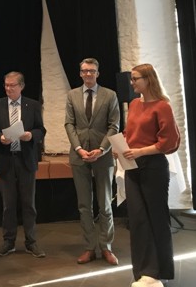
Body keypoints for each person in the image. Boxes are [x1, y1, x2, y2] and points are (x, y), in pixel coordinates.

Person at [122, 64, 181, 287]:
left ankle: (157, 272)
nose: (132, 83)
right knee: (138, 219)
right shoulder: (134, 104)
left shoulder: (162, 106)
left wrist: (141, 151)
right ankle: (145, 271)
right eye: (132, 79)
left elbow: (169, 142)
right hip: (132, 165)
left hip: (153, 167)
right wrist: (121, 146)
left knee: (156, 218)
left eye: (135, 78)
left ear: (148, 79)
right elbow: (129, 133)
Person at [64, 58, 120, 266]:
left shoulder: (110, 95)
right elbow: (69, 124)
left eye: (92, 71)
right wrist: (79, 149)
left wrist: (102, 149)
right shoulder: (72, 95)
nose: (88, 74)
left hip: (102, 156)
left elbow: (114, 126)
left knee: (105, 204)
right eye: (85, 71)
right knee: (84, 205)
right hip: (79, 156)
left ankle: (106, 247)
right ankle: (89, 247)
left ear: (98, 73)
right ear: (80, 73)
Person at [0, 71, 47, 258]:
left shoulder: (32, 105)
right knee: (8, 205)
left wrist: (31, 135)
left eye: (12, 85)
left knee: (29, 204)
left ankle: (31, 242)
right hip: (5, 159)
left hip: (25, 159)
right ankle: (9, 242)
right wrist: (0, 138)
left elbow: (41, 129)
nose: (8, 88)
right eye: (6, 85)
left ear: (22, 86)